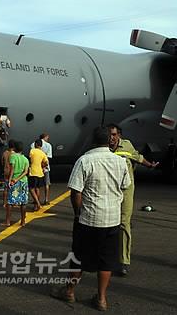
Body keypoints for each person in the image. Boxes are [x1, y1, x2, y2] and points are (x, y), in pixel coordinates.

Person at [51, 126, 130, 310]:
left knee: (79, 257)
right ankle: (102, 299)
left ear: (92, 141)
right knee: (107, 261)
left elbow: (76, 191)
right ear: (110, 141)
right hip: (112, 219)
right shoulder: (120, 161)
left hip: (89, 218)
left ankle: (69, 291)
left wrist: (78, 213)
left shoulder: (85, 160)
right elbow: (125, 186)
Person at [107, 123, 158, 276]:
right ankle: (106, 257)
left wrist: (150, 165)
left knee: (124, 223)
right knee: (107, 224)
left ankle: (123, 261)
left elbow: (138, 157)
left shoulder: (127, 146)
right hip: (109, 191)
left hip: (126, 191)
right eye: (109, 135)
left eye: (114, 135)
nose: (111, 138)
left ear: (119, 136)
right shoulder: (103, 148)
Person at [1, 141, 29, 227]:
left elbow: (12, 169)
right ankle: (23, 221)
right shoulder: (25, 159)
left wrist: (11, 180)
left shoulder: (13, 157)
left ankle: (8, 221)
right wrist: (19, 179)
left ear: (15, 148)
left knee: (10, 201)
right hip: (24, 181)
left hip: (14, 180)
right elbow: (26, 172)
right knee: (23, 202)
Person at [31, 133, 53, 204]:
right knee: (46, 183)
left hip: (36, 168)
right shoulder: (48, 145)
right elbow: (48, 157)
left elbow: (31, 156)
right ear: (45, 137)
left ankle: (36, 200)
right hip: (45, 168)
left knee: (36, 186)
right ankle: (46, 199)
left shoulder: (33, 144)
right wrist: (43, 166)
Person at [28, 139, 48, 211]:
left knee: (31, 189)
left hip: (33, 172)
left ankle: (38, 203)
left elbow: (30, 160)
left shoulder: (32, 151)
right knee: (37, 189)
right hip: (40, 173)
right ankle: (36, 206)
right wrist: (42, 166)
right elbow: (46, 163)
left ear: (36, 144)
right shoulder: (43, 153)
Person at [2, 139, 16, 207]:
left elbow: (2, 162)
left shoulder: (5, 153)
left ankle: (4, 203)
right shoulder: (14, 154)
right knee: (13, 188)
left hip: (6, 171)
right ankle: (12, 202)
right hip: (12, 172)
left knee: (6, 188)